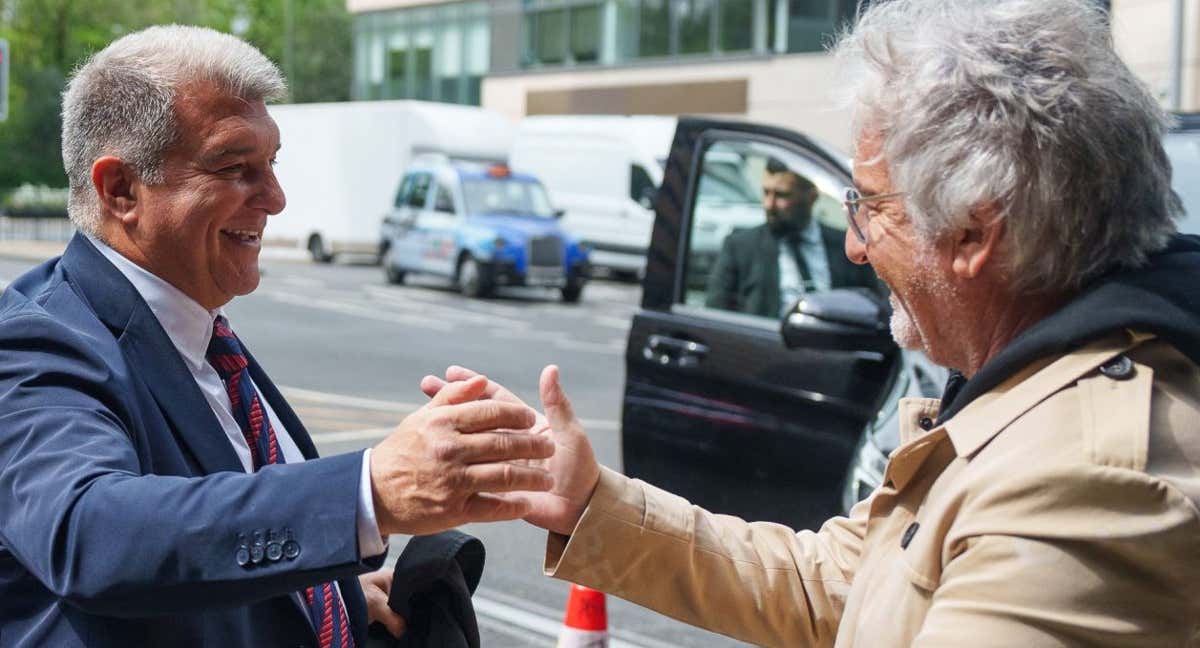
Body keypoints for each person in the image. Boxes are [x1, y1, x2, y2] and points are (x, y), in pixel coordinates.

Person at [423, 0, 1200, 645]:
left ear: (975, 232)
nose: (854, 247)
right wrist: (590, 502)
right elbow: (831, 583)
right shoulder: (1032, 399)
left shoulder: (1081, 481)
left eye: (870, 208)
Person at [0, 26, 555, 648]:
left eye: (273, 164)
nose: (276, 198)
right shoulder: (35, 340)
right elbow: (92, 536)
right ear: (121, 190)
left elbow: (220, 545)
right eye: (236, 168)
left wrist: (328, 592)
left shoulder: (200, 331)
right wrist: (370, 492)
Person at [705, 158, 878, 317]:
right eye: (766, 193)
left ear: (811, 197)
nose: (769, 205)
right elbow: (715, 315)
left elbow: (874, 306)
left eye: (781, 195)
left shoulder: (847, 248)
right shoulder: (740, 248)